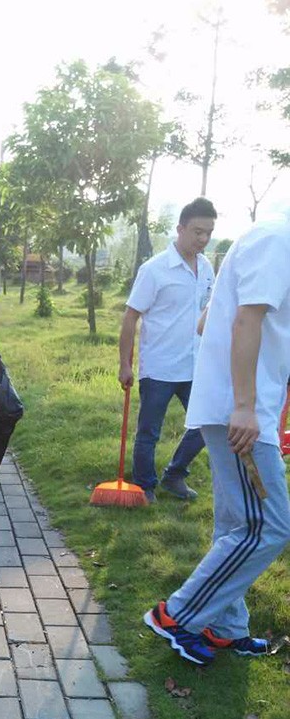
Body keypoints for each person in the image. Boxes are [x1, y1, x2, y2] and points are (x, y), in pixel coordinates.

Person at [145, 217, 290, 665]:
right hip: (242, 415)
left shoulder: (265, 238)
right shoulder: (279, 241)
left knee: (235, 526)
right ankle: (176, 616)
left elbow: (210, 321)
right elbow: (245, 320)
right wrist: (245, 405)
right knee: (268, 525)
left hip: (237, 406)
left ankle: (225, 627)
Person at [119, 198, 217, 503]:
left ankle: (174, 474)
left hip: (195, 366)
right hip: (159, 366)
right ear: (181, 228)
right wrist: (125, 364)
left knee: (207, 425)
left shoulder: (207, 268)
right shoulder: (154, 269)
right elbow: (131, 316)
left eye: (208, 233)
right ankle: (145, 487)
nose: (203, 239)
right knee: (149, 432)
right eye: (197, 232)